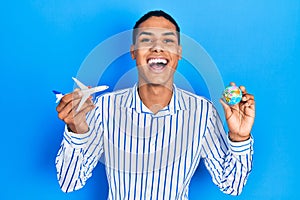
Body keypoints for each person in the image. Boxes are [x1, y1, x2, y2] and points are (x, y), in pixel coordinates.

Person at [55, 10, 255, 199]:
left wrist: (239, 137)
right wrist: (76, 131)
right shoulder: (104, 108)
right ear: (134, 52)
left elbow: (231, 185)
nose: (157, 47)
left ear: (178, 53)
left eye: (167, 40)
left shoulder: (203, 113)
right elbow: (69, 182)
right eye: (146, 40)